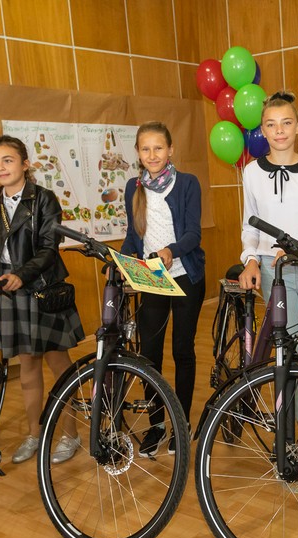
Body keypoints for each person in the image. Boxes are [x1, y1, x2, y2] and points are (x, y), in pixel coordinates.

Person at [0, 135, 85, 464]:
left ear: (25, 164)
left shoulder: (44, 199)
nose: (0, 168)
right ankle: (34, 434)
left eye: (7, 160)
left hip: (41, 289)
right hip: (10, 292)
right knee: (27, 369)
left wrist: (22, 275)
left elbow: (49, 249)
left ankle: (71, 434)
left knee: (59, 366)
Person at [237, 91, 298, 447]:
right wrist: (251, 259)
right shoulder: (252, 172)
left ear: (297, 127)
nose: (279, 130)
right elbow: (250, 225)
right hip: (272, 272)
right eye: (271, 124)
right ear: (263, 130)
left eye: (286, 123)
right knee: (288, 349)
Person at [121, 121, 205, 457]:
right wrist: (125, 260)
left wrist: (171, 250)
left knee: (182, 351)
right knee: (149, 356)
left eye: (158, 148)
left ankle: (181, 424)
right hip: (151, 279)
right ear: (138, 153)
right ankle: (156, 424)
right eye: (146, 149)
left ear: (170, 149)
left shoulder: (187, 183)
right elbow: (133, 237)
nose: (152, 154)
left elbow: (194, 234)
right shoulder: (133, 187)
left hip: (185, 276)